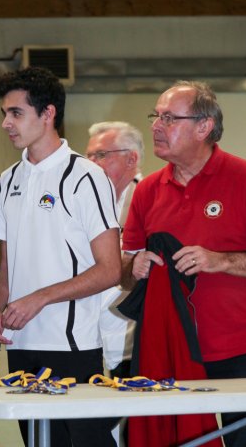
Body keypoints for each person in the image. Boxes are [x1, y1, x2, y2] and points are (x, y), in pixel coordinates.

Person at [0, 67, 122, 447]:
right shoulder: (6, 181)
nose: (6, 124)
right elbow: (7, 265)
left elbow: (110, 269)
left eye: (16, 113)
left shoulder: (86, 177)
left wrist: (40, 298)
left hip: (72, 347)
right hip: (21, 346)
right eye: (4, 114)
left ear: (48, 114)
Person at [121, 80, 246, 447]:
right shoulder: (148, 190)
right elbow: (124, 268)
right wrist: (133, 267)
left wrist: (220, 261)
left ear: (204, 127)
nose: (156, 126)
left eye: (169, 118)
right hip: (171, 353)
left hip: (243, 350)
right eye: (156, 116)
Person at [86, 121, 144, 379]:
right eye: (88, 156)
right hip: (94, 337)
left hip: (135, 337)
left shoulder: (151, 198)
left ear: (132, 159)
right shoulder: (88, 203)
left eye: (100, 155)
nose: (91, 163)